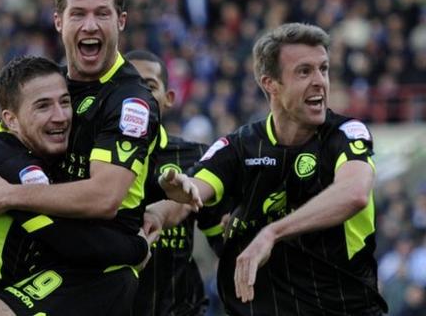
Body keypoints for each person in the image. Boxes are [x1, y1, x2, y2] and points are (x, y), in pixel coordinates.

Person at [0, 0, 200, 314]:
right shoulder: (54, 83)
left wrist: (9, 195)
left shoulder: (130, 101)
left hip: (98, 265)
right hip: (52, 247)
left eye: (102, 14)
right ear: (58, 22)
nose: (90, 25)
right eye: (78, 14)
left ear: (120, 22)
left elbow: (104, 197)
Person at [157, 22, 388, 315]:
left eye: (324, 69)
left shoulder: (346, 133)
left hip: (343, 309)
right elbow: (191, 193)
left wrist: (271, 233)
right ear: (270, 84)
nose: (320, 81)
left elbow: (354, 193)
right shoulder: (239, 146)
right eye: (304, 72)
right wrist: (168, 202)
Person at [0, 55, 152, 316]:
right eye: (43, 107)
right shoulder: (17, 170)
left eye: (65, 102)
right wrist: (138, 248)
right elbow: (73, 242)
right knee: (119, 278)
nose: (61, 116)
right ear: (12, 120)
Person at [125, 50, 227, 316]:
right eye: (127, 85)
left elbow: (224, 241)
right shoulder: (95, 158)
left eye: (149, 86)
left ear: (169, 98)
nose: (139, 95)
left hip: (182, 309)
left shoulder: (195, 156)